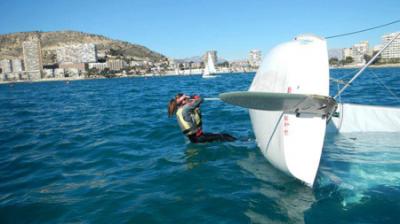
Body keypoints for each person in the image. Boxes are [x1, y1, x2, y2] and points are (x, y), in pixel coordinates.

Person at [168, 93, 236, 143]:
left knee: (219, 135)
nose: (188, 100)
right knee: (225, 136)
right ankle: (242, 142)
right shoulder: (186, 108)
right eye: (186, 99)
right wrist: (192, 96)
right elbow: (200, 99)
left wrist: (185, 99)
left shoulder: (178, 110)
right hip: (198, 138)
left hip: (194, 139)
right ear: (183, 101)